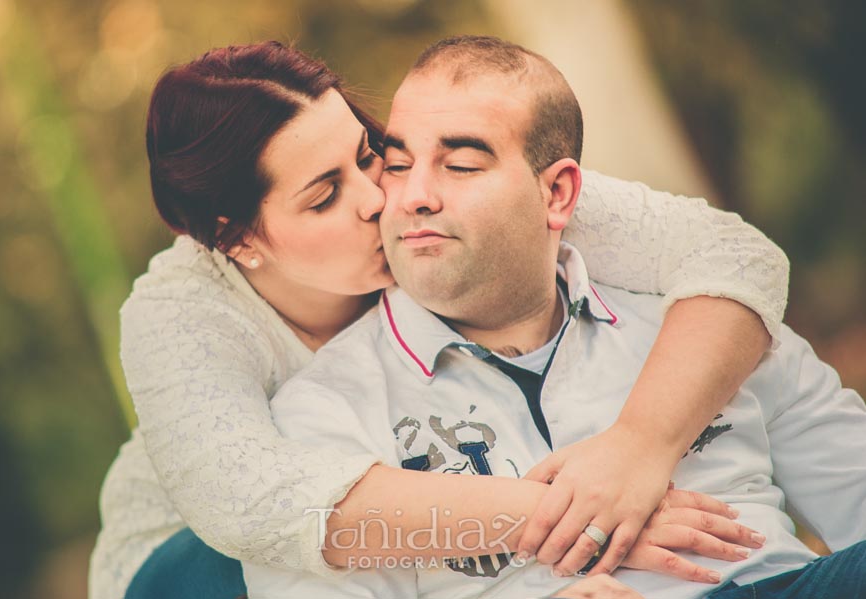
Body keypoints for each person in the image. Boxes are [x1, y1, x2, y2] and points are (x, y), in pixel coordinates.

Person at [88, 40, 790, 599]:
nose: (380, 199)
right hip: (197, 565)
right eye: (326, 195)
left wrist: (639, 448)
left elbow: (732, 255)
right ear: (237, 239)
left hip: (461, 520)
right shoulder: (175, 313)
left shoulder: (431, 190)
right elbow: (255, 505)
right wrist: (582, 517)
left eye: (370, 156)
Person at [251, 35, 866, 599]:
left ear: (558, 194)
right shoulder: (326, 409)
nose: (414, 196)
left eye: (461, 164)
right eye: (399, 162)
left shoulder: (702, 325)